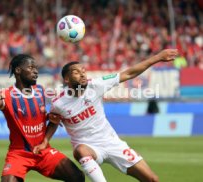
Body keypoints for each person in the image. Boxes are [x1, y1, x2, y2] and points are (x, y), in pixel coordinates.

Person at [35, 49, 178, 182]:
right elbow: (53, 122)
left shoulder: (96, 85)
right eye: (76, 72)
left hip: (112, 143)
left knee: (153, 179)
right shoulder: (59, 103)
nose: (83, 74)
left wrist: (158, 57)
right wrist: (45, 141)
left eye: (83, 70)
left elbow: (128, 73)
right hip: (88, 147)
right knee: (80, 150)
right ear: (66, 79)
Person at [0, 54, 84, 182]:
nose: (36, 71)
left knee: (77, 177)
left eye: (36, 68)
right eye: (31, 67)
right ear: (18, 70)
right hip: (19, 154)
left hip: (43, 151)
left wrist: (48, 117)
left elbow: (35, 115)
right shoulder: (6, 94)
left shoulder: (39, 90)